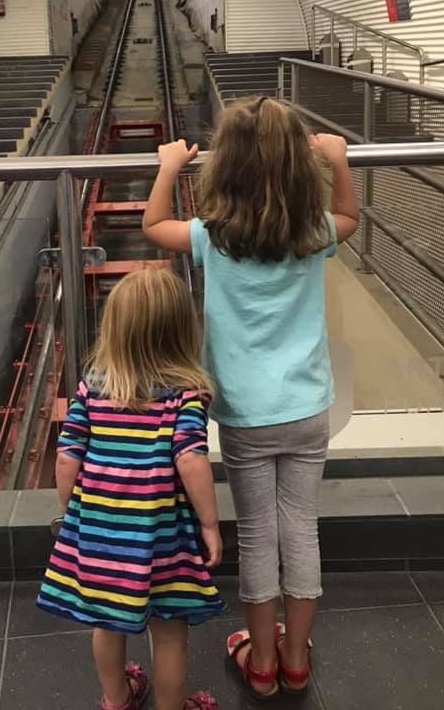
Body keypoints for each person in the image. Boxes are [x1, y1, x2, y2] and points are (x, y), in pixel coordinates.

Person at [142, 97, 359, 700]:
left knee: (259, 534)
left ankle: (260, 663)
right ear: (297, 166)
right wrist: (337, 161)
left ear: (224, 167)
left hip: (242, 414)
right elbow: (349, 215)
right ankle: (296, 659)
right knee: (302, 531)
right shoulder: (311, 231)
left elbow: (152, 225)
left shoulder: (214, 236)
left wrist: (167, 167)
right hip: (308, 407)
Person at [36, 267, 227, 710]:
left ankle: (116, 698)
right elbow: (191, 458)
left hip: (100, 532)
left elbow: (66, 456)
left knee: (107, 623)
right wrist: (210, 523)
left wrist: (74, 515)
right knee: (170, 630)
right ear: (182, 331)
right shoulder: (186, 393)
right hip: (162, 535)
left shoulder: (93, 389)